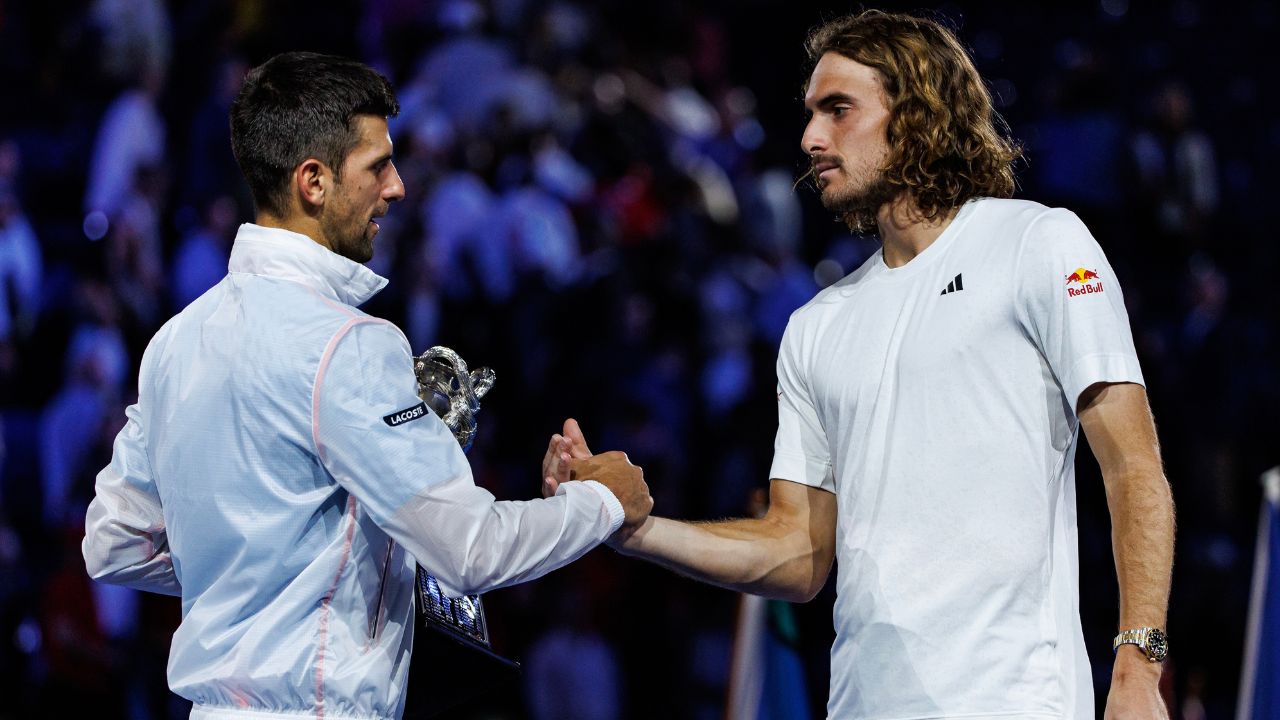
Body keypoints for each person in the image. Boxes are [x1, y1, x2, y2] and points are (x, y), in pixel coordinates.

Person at [548, 10, 1174, 719]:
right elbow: (797, 551)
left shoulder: (1040, 243)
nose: (811, 137)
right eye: (811, 113)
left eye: (838, 109)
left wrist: (1137, 664)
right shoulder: (816, 326)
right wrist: (632, 528)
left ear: (915, 113)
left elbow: (1132, 467)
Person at [81, 51, 652, 720]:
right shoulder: (350, 345)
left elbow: (116, 542)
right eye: (378, 166)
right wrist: (602, 504)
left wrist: (276, 562)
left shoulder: (175, 342)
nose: (399, 187)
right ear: (313, 182)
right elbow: (470, 550)